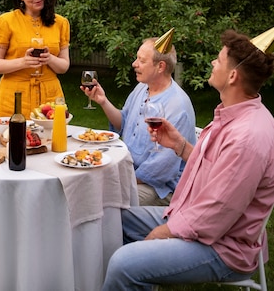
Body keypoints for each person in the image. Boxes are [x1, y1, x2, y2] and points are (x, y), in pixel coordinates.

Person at [102, 27, 274, 290]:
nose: (213, 63)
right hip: (193, 217)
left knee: (124, 263)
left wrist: (164, 232)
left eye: (218, 59)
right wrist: (181, 146)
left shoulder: (248, 136)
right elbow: (219, 172)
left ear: (232, 75)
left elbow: (217, 212)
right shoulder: (231, 115)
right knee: (109, 217)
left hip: (223, 246)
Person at [81, 28, 196, 205]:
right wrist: (103, 101)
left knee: (103, 200)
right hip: (128, 171)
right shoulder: (142, 88)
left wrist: (118, 180)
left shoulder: (177, 106)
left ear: (160, 67)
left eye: (141, 61)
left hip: (158, 187)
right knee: (87, 186)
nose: (134, 64)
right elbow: (124, 124)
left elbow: (160, 169)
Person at [0, 0, 70, 118]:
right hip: (14, 98)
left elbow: (64, 66)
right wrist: (24, 62)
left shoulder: (61, 23)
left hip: (50, 99)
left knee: (52, 140)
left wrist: (50, 59)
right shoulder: (5, 22)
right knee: (15, 139)